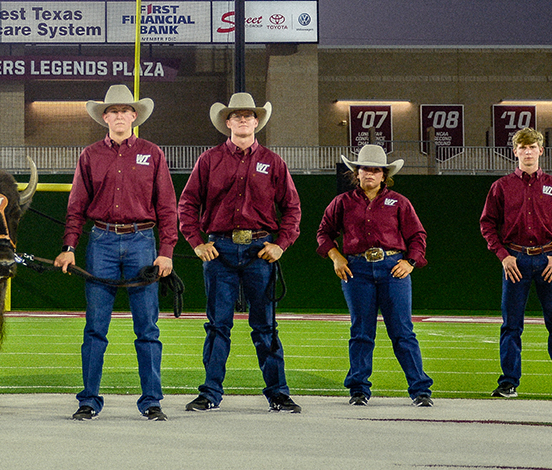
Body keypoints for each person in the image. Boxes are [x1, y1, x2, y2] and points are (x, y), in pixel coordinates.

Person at [56, 84, 177, 421]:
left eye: (126, 110)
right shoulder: (90, 155)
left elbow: (167, 206)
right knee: (95, 327)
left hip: (142, 242)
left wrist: (166, 250)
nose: (120, 115)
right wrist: (69, 247)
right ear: (104, 117)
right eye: (114, 111)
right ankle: (89, 400)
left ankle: (152, 400)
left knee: (147, 328)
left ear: (134, 116)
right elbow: (76, 207)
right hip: (102, 242)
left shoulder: (152, 153)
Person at [177, 92, 302, 413]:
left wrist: (281, 244)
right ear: (227, 122)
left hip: (260, 250)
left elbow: (292, 208)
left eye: (249, 115)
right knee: (218, 325)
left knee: (265, 326)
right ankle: (210, 393)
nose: (243, 120)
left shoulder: (274, 162)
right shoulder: (209, 160)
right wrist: (196, 242)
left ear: (257, 121)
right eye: (237, 116)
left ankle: (278, 392)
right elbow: (187, 204)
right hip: (219, 250)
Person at [316, 144, 433, 407]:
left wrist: (411, 262)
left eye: (375, 170)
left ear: (384, 175)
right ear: (356, 173)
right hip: (356, 270)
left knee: (403, 331)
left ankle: (420, 389)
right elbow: (323, 233)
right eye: (364, 169)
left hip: (393, 268)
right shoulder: (341, 203)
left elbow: (417, 236)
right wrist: (336, 257)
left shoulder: (399, 202)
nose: (369, 173)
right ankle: (358, 389)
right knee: (361, 331)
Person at [479, 127, 552, 401]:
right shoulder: (501, 187)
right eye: (522, 147)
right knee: (511, 325)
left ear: (540, 151)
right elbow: (487, 224)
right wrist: (503, 256)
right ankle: (508, 383)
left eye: (532, 147)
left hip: (549, 261)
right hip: (516, 261)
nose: (527, 152)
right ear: (514, 152)